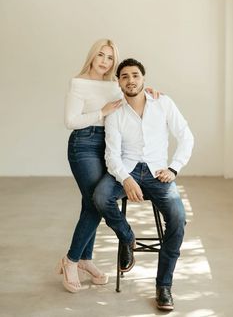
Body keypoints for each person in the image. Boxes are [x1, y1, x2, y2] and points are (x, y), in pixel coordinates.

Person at [57, 40, 159, 293]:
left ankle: (84, 259)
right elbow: (70, 121)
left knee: (89, 202)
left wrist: (151, 92)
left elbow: (131, 95)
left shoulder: (115, 84)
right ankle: (70, 261)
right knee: (94, 202)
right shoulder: (78, 83)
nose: (105, 61)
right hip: (85, 143)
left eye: (110, 58)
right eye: (101, 55)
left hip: (112, 146)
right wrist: (101, 112)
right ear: (92, 56)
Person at [93, 58, 194, 311]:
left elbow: (186, 136)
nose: (130, 80)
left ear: (143, 78)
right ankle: (127, 238)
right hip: (125, 169)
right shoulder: (115, 112)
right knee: (100, 196)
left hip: (157, 171)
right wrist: (125, 179)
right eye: (124, 76)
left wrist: (174, 168)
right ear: (119, 82)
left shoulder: (163, 103)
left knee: (178, 218)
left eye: (135, 75)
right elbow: (111, 154)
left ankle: (163, 285)